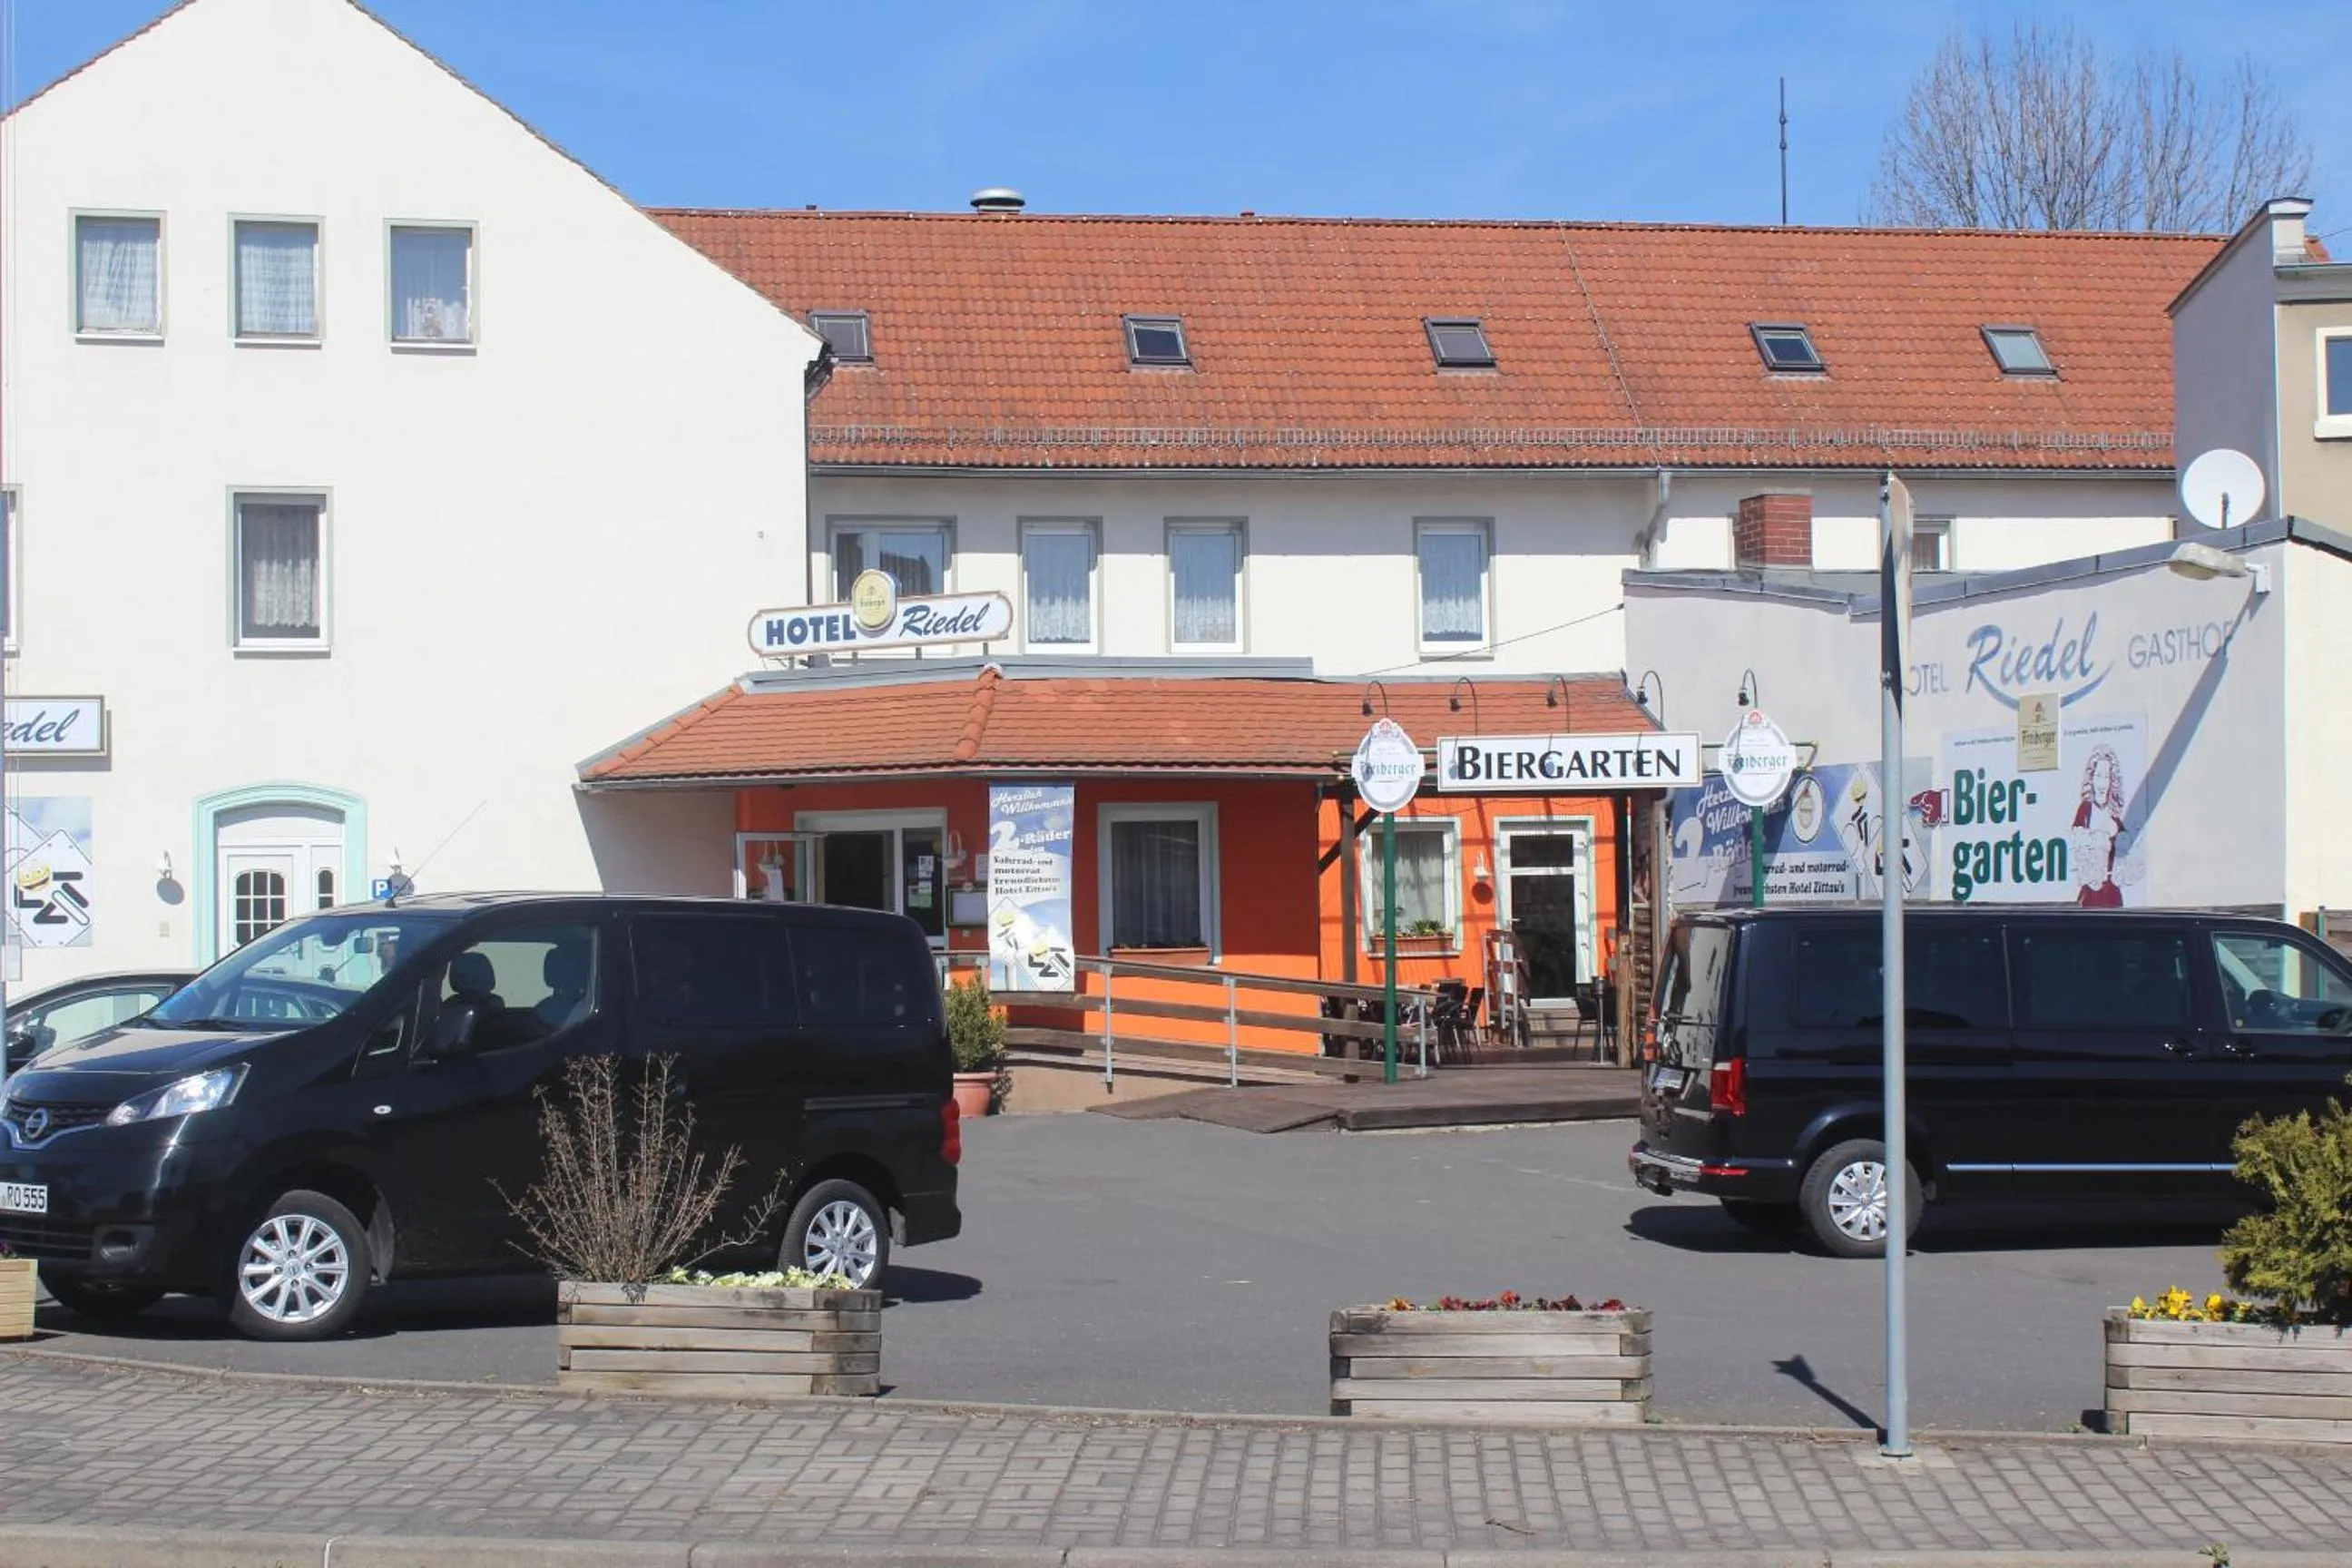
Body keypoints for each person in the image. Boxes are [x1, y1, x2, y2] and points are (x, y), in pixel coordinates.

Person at [2071, 744, 2135, 907]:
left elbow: (2127, 860)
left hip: (2112, 896)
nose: (2102, 783)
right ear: (2091, 779)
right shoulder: (2085, 810)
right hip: (2091, 895)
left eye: (2106, 777)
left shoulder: (2116, 818)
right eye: (2098, 776)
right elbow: (2078, 853)